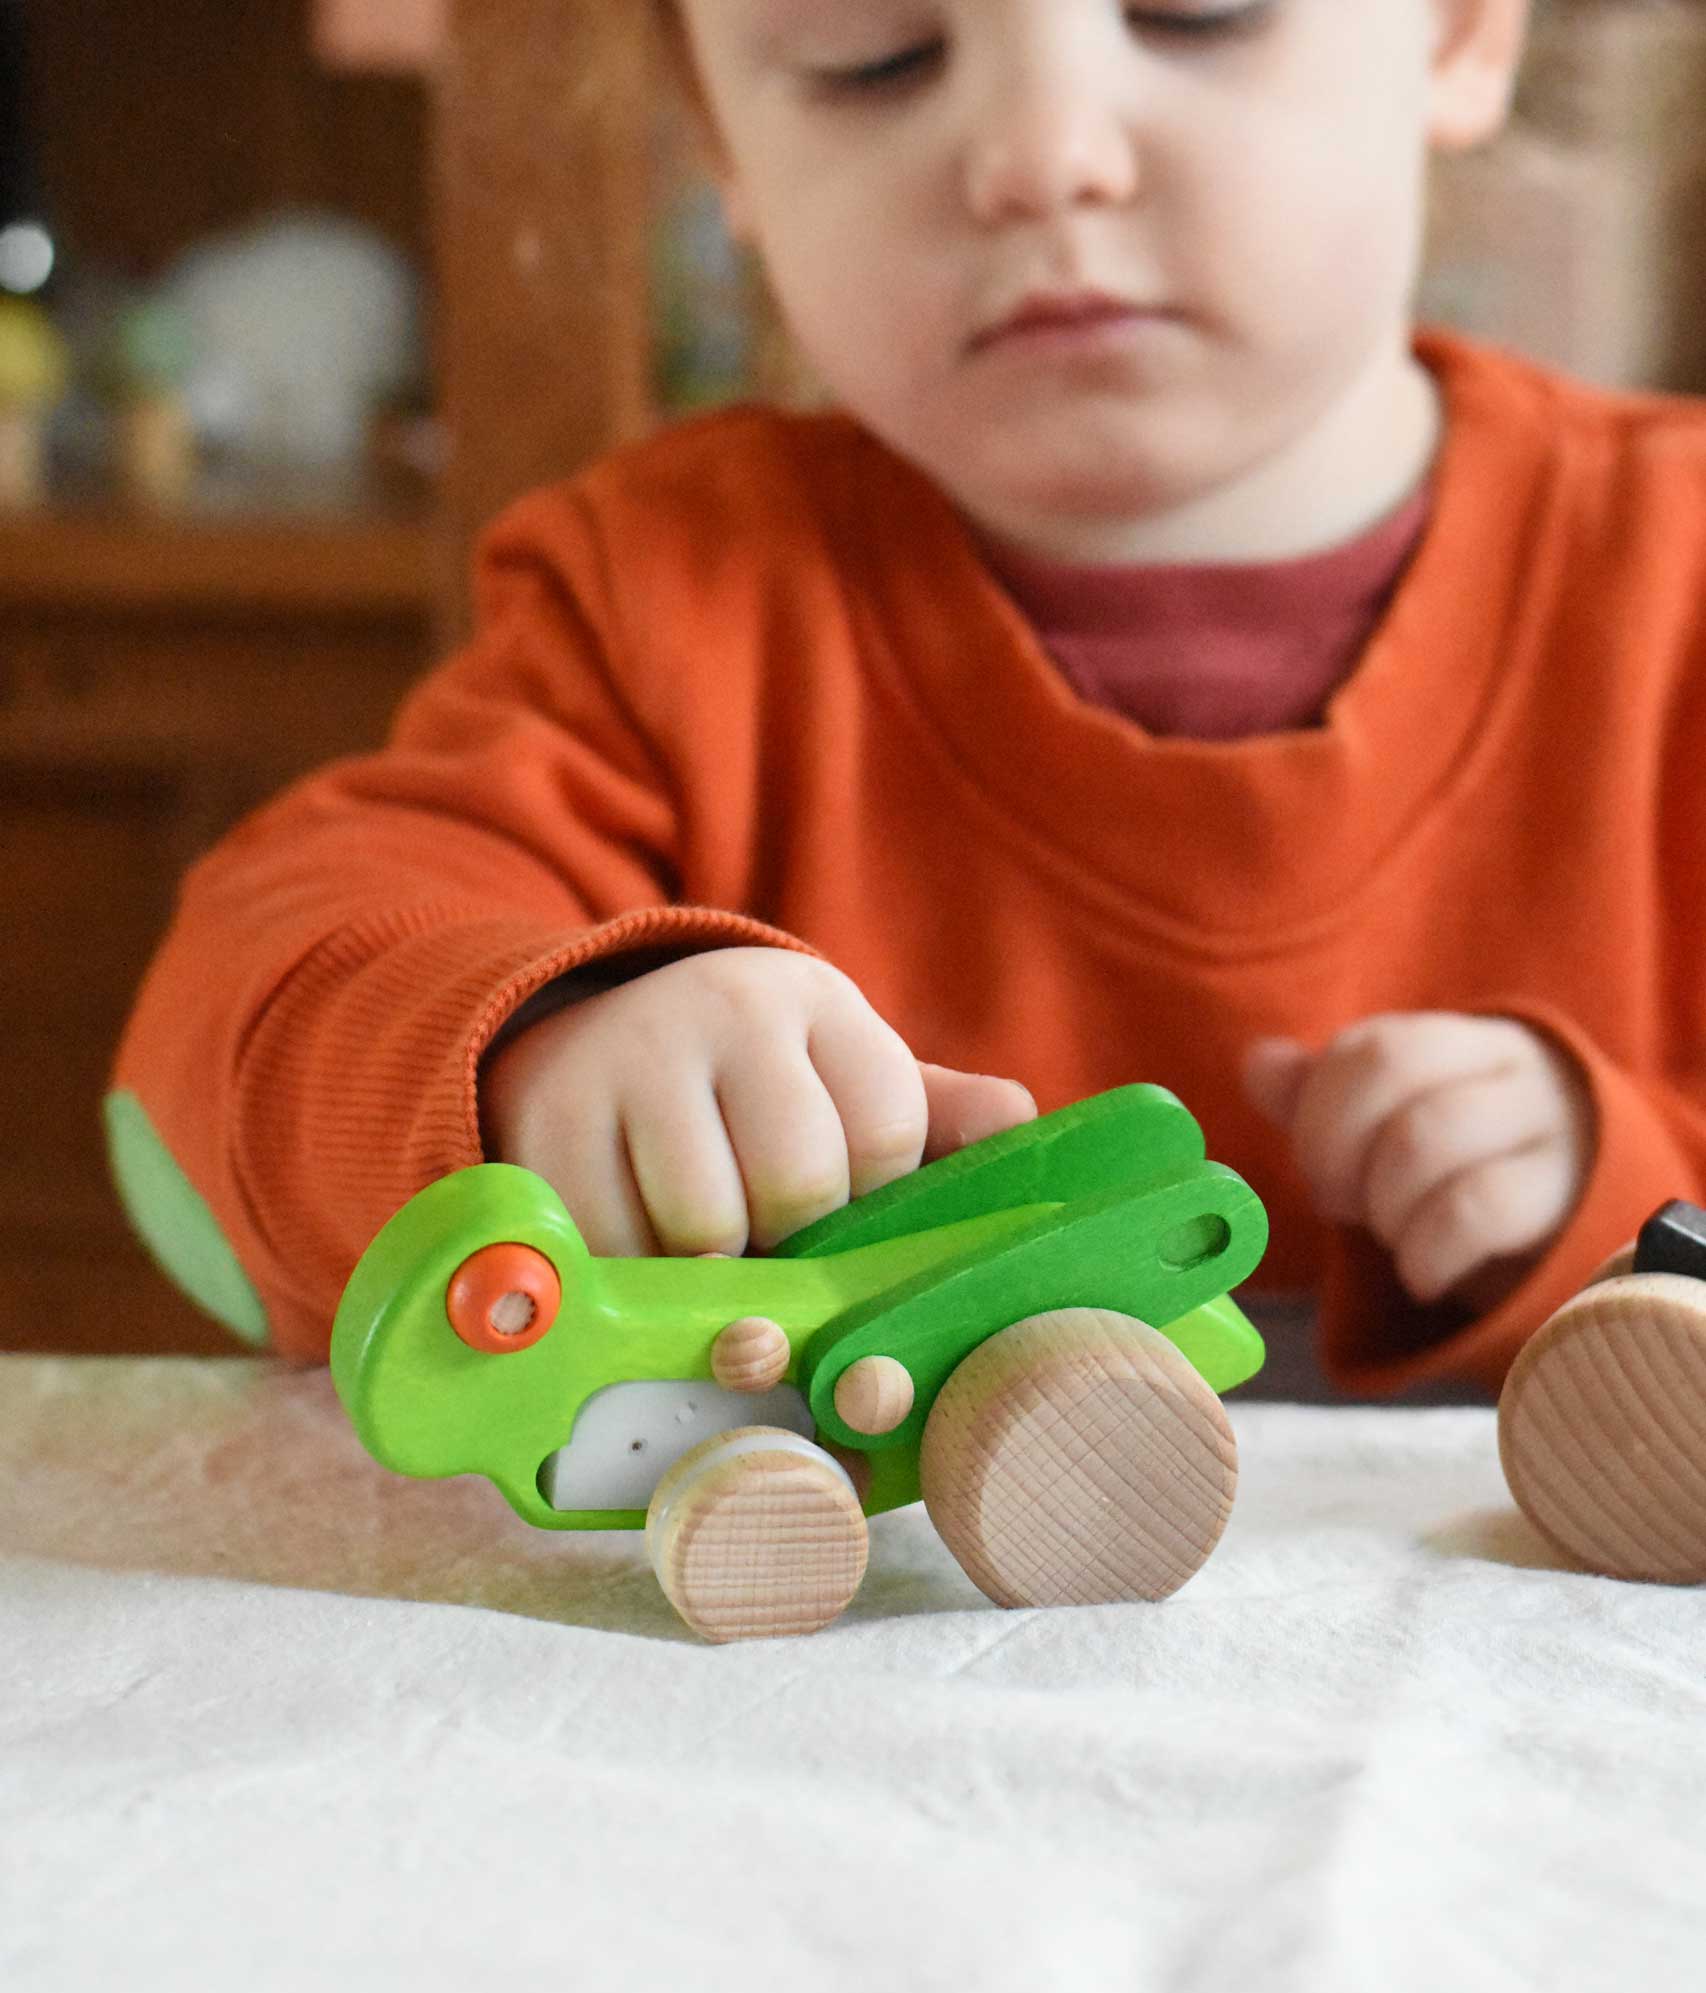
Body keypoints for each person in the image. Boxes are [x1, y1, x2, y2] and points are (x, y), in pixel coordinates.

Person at [111, 0, 1706, 1412]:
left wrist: (1622, 1184)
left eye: (1197, 14)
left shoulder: (1676, 576)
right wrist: (524, 1056)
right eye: (871, 60)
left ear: (1457, 33)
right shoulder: (661, 600)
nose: (1039, 157)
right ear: (726, 134)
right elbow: (209, 1075)